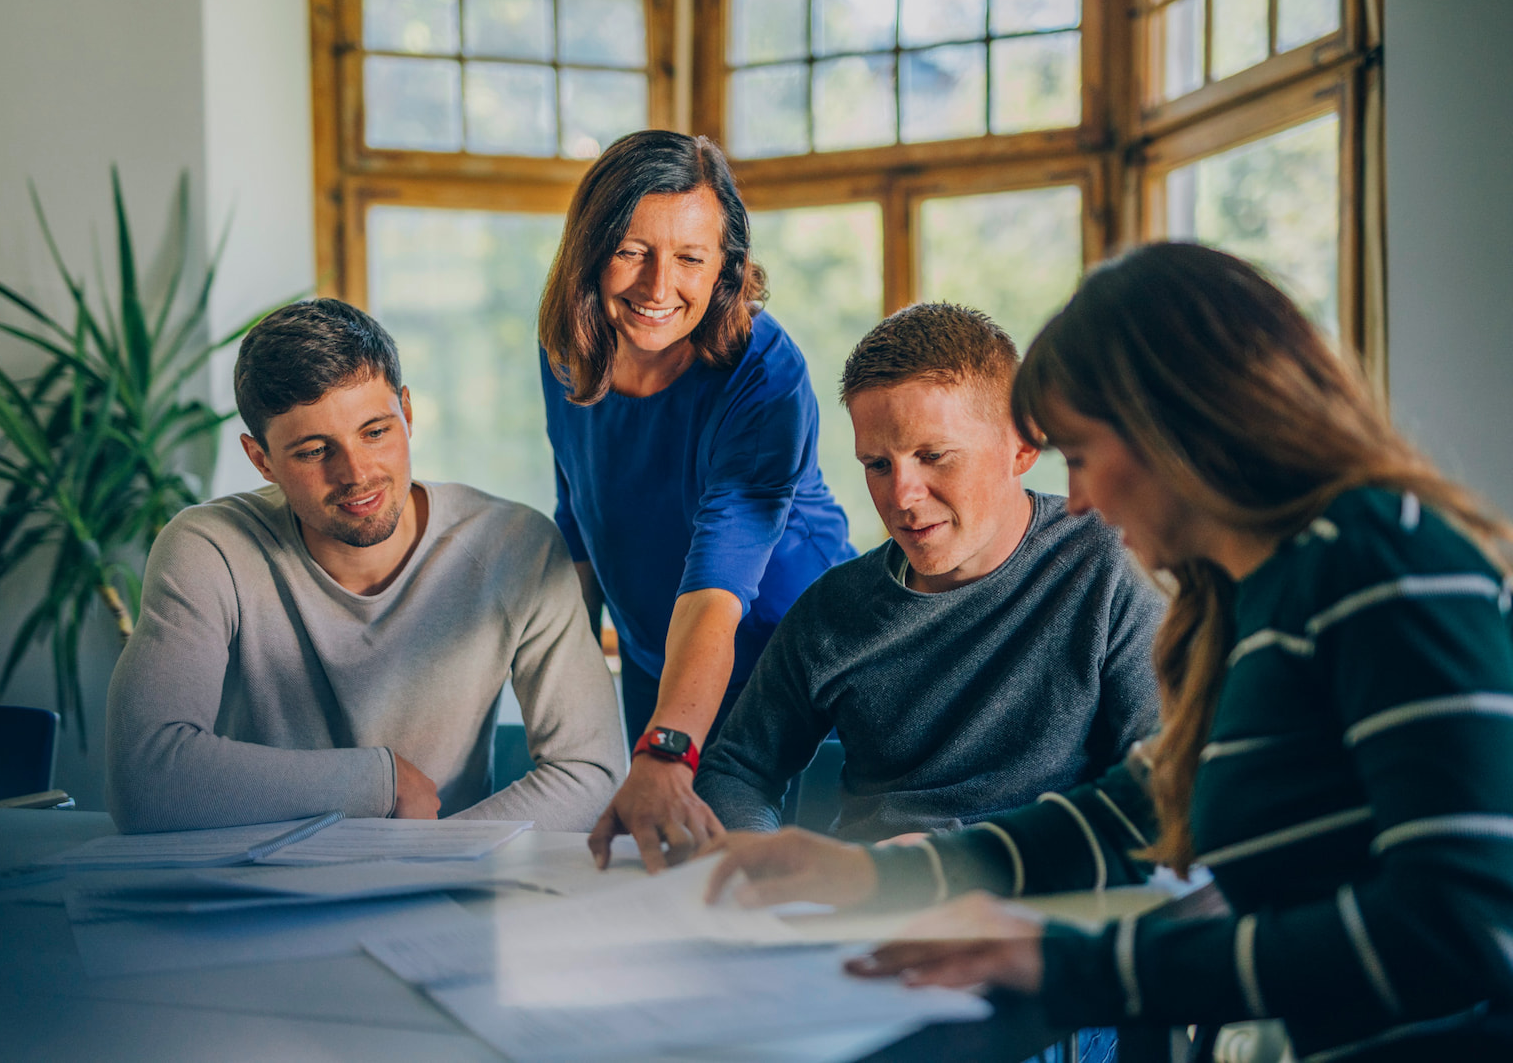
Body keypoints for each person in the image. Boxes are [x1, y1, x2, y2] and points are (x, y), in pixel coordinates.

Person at [706, 244, 1513, 1060]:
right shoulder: (1253, 594)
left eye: (1083, 456)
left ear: (1182, 423)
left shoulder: (1379, 559)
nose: (1080, 498)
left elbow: (1465, 923)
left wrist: (1083, 965)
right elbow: (1147, 799)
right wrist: (883, 878)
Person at [106, 299, 625, 834]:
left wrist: (427, 860)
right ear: (261, 460)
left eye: (375, 432)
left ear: (407, 410)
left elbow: (592, 773)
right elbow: (143, 783)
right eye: (313, 451)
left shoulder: (517, 547)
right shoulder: (208, 549)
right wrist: (379, 783)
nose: (356, 474)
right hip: (264, 890)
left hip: (439, 888)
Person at [694, 302, 1161, 842]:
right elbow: (734, 771)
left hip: (1048, 891)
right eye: (877, 465)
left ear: (1024, 445)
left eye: (934, 455)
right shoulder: (830, 610)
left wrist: (946, 860)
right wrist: (762, 858)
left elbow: (1156, 781)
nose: (902, 497)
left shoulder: (1110, 563)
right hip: (871, 900)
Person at [538, 130, 855, 871]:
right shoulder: (568, 348)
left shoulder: (764, 370)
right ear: (589, 249)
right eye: (630, 250)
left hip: (797, 667)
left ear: (726, 268)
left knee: (762, 889)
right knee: (651, 884)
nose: (656, 287)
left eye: (689, 256)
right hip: (658, 659)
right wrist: (566, 703)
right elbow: (577, 522)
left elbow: (720, 583)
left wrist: (666, 746)